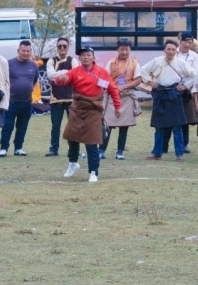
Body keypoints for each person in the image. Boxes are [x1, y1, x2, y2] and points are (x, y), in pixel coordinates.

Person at [52, 46, 121, 183]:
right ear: (79, 58)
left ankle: (93, 171)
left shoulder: (101, 72)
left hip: (94, 110)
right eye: (83, 55)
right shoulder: (75, 71)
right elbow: (58, 81)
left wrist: (117, 106)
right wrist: (61, 78)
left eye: (88, 54)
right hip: (77, 109)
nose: (86, 57)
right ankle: (73, 163)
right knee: (71, 137)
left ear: (93, 57)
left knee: (91, 143)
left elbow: (113, 89)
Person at [140, 39, 195, 161]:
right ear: (164, 50)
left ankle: (179, 154)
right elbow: (142, 70)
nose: (170, 51)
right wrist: (149, 81)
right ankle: (157, 153)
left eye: (173, 50)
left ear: (176, 51)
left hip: (174, 94)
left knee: (177, 126)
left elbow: (194, 74)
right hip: (160, 94)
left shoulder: (180, 63)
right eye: (168, 49)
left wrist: (185, 86)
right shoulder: (157, 61)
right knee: (159, 127)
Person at [102, 37, 142, 160]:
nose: (124, 52)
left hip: (127, 96)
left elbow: (138, 80)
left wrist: (123, 86)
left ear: (130, 50)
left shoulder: (135, 63)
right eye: (122, 49)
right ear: (117, 50)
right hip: (112, 96)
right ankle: (101, 150)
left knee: (124, 126)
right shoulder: (111, 62)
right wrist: (113, 88)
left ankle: (120, 152)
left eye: (126, 49)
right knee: (107, 124)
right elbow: (104, 77)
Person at [0, 39, 39, 156]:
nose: (25, 53)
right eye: (23, 51)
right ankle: (4, 148)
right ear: (18, 51)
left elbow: (35, 80)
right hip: (11, 101)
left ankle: (18, 148)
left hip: (27, 102)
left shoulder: (33, 65)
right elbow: (3, 80)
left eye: (28, 51)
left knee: (22, 126)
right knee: (8, 126)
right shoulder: (9, 64)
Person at [45, 37, 78, 157]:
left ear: (68, 47)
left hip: (71, 98)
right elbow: (50, 75)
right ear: (57, 48)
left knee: (73, 126)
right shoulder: (51, 60)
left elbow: (75, 75)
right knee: (55, 126)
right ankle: (54, 149)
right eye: (60, 46)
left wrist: (59, 74)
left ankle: (73, 150)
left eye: (64, 46)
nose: (62, 48)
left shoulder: (73, 60)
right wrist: (67, 72)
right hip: (56, 98)